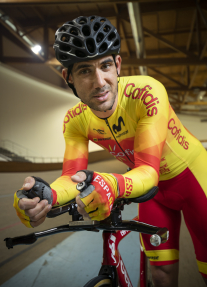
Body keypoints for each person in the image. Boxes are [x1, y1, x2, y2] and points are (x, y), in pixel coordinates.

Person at [13, 15, 207, 287]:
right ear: (68, 77)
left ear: (117, 65)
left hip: (194, 180)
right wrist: (46, 197)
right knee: (162, 275)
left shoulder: (147, 93)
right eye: (84, 71)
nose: (100, 81)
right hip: (152, 194)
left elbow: (149, 172)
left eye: (105, 66)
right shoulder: (75, 120)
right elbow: (72, 176)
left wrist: (112, 184)